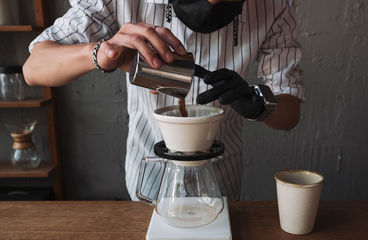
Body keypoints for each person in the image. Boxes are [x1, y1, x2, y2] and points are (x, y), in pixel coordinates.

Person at [23, 0, 304, 201]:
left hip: (219, 184)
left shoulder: (275, 5)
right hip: (148, 180)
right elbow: (34, 67)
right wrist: (103, 53)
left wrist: (259, 104)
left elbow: (289, 115)